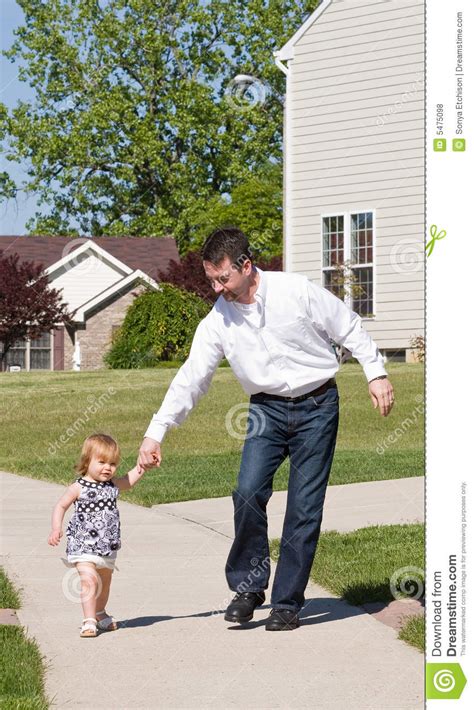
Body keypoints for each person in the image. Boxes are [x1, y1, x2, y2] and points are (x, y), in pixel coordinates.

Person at [137, 227, 394, 631]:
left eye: (224, 278)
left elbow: (347, 325)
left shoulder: (295, 291)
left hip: (317, 404)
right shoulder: (218, 321)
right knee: (247, 490)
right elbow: (192, 378)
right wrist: (157, 431)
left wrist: (375, 373)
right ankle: (249, 585)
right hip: (266, 411)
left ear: (246, 265)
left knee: (304, 506)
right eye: (211, 280)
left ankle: (287, 602)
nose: (218, 288)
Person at [48, 433, 144, 637]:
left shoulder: (113, 485)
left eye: (113, 463)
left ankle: (100, 612)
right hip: (82, 544)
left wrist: (142, 466)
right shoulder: (78, 487)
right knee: (89, 580)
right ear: (87, 461)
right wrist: (56, 528)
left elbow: (129, 481)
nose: (108, 468)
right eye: (102, 462)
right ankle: (89, 620)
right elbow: (61, 505)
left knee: (105, 582)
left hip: (107, 545)